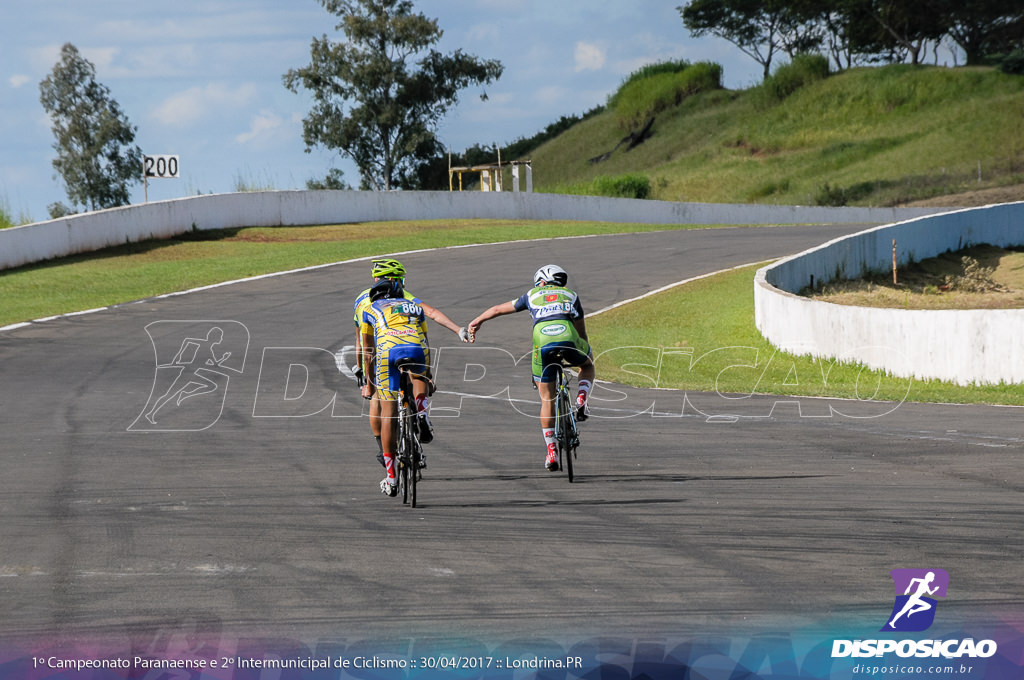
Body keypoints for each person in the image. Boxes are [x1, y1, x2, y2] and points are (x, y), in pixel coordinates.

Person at [468, 264, 595, 472]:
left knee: (547, 399)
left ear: (541, 282)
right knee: (588, 365)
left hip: (542, 343)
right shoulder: (571, 294)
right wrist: (583, 350)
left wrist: (477, 321)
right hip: (568, 337)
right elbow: (581, 331)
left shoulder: (532, 294)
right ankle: (582, 398)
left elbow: (498, 309)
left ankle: (551, 450)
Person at [358, 272, 469, 496]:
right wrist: (428, 376)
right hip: (417, 349)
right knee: (418, 377)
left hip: (388, 353)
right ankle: (421, 411)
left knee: (388, 415)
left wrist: (369, 384)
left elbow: (368, 352)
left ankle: (391, 478)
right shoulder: (413, 306)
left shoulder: (370, 309)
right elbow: (428, 330)